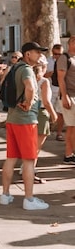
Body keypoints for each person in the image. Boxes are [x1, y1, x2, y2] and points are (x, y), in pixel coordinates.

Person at [0, 41, 50, 210]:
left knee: (11, 158)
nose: (40, 55)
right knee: (29, 160)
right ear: (28, 54)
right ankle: (29, 199)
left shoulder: (15, 67)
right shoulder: (27, 69)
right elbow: (29, 87)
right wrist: (29, 103)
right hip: (26, 120)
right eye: (37, 52)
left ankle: (5, 195)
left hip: (12, 118)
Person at [29, 59, 57, 183]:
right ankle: (31, 172)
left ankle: (27, 169)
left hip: (28, 113)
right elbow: (46, 101)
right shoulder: (43, 81)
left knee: (30, 144)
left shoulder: (27, 80)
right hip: (41, 112)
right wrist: (53, 114)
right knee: (36, 147)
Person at [56, 36, 75, 164]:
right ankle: (69, 154)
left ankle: (70, 154)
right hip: (69, 96)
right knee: (72, 127)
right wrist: (65, 96)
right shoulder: (65, 58)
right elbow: (60, 78)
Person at [45, 43, 65, 141]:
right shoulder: (48, 61)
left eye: (59, 54)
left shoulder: (66, 61)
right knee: (46, 111)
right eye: (55, 54)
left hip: (61, 90)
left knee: (61, 113)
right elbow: (42, 75)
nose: (57, 56)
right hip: (50, 89)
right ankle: (45, 131)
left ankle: (59, 133)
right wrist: (51, 73)